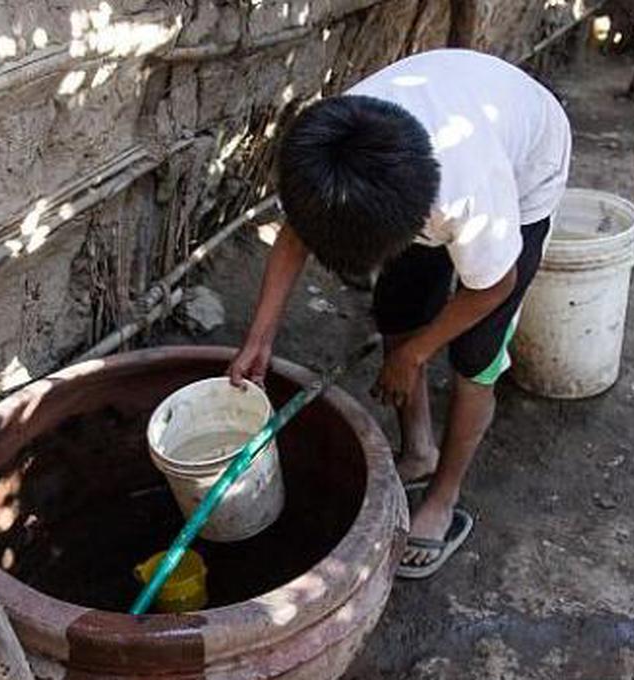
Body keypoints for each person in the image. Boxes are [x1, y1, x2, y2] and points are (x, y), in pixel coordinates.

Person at [227, 49, 571, 579]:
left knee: (475, 358)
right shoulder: (331, 149)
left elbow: (493, 285)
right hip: (435, 128)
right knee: (399, 307)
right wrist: (260, 334)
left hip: (528, 163)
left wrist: (415, 354)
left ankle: (443, 496)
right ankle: (419, 451)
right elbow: (297, 227)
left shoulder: (468, 197)